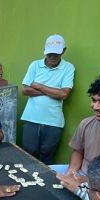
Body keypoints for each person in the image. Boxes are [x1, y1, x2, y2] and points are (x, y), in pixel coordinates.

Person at [20, 34, 75, 164]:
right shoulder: (35, 65)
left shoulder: (69, 68)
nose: (51, 57)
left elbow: (64, 94)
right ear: (44, 50)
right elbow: (25, 90)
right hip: (31, 117)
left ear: (63, 51)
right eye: (49, 54)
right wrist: (54, 91)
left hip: (53, 121)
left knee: (47, 157)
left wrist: (39, 86)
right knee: (28, 154)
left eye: (56, 54)